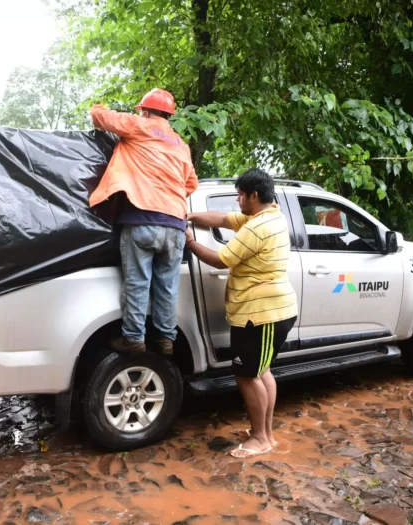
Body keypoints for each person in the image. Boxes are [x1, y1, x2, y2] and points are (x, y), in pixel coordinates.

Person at [186, 169, 298, 458]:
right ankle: (265, 434)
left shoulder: (257, 228)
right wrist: (189, 217)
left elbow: (221, 259)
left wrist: (190, 242)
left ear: (254, 195)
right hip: (267, 312)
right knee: (260, 371)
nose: (237, 200)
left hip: (260, 314)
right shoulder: (268, 216)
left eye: (240, 195)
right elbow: (222, 219)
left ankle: (261, 437)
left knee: (247, 375)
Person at [89, 88, 199, 355]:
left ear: (146, 111)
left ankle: (134, 338)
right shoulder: (181, 144)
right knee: (167, 286)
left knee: (138, 282)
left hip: (142, 219)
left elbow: (101, 118)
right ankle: (164, 339)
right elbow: (192, 183)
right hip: (175, 224)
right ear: (169, 116)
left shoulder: (140, 125)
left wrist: (97, 106)